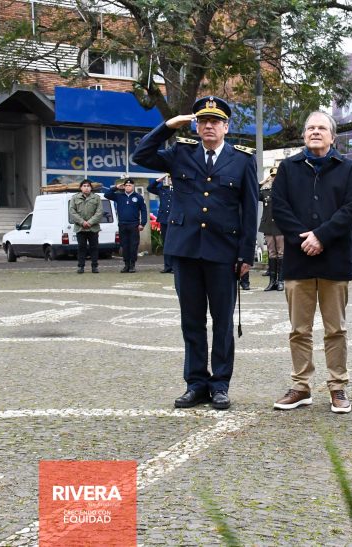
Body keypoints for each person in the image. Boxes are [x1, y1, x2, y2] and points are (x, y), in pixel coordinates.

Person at [131, 95, 259, 411]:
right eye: (202, 121)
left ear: (226, 127)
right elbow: (141, 155)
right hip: (186, 249)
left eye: (215, 121)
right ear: (196, 125)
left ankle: (220, 385)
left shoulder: (242, 160)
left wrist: (246, 255)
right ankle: (196, 384)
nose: (208, 126)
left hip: (224, 253)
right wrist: (168, 125)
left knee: (222, 323)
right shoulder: (181, 153)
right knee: (191, 321)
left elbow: (249, 208)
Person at [270, 110, 352, 414]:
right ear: (304, 134)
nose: (315, 132)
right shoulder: (288, 167)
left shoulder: (347, 168)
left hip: (334, 260)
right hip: (298, 259)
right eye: (310, 128)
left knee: (336, 329)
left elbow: (351, 210)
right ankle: (301, 386)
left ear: (332, 136)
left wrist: (321, 236)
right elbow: (279, 208)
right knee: (299, 329)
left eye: (322, 128)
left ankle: (338, 386)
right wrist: (302, 239)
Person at [104, 178, 147, 273]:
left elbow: (144, 211)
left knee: (133, 245)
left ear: (133, 186)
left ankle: (132, 265)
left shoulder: (138, 197)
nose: (128, 187)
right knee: (124, 245)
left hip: (134, 225)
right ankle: (126, 265)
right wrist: (116, 187)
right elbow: (106, 195)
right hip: (123, 224)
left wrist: (142, 223)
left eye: (130, 185)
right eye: (126, 185)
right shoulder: (119, 196)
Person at [259, 166, 285, 291]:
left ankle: (281, 280)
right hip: (268, 225)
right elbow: (253, 192)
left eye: (276, 176)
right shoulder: (265, 190)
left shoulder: (284, 190)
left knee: (281, 253)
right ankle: (272, 281)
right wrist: (262, 182)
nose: (274, 178)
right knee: (272, 253)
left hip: (280, 226)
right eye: (273, 176)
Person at [68, 179, 102, 274]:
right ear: (81, 188)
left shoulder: (96, 198)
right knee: (81, 247)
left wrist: (90, 222)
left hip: (93, 228)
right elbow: (72, 212)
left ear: (91, 188)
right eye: (84, 186)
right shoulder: (75, 198)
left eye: (88, 186)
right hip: (80, 228)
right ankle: (81, 266)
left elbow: (99, 212)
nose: (86, 188)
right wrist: (82, 222)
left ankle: (94, 266)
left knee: (94, 248)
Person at [147, 175, 174, 273]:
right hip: (164, 219)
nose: (170, 180)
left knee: (174, 243)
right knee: (165, 243)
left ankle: (174, 267)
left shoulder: (179, 189)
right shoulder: (162, 189)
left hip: (174, 220)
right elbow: (150, 188)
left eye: (171, 178)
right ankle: (167, 266)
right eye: (169, 179)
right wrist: (158, 180)